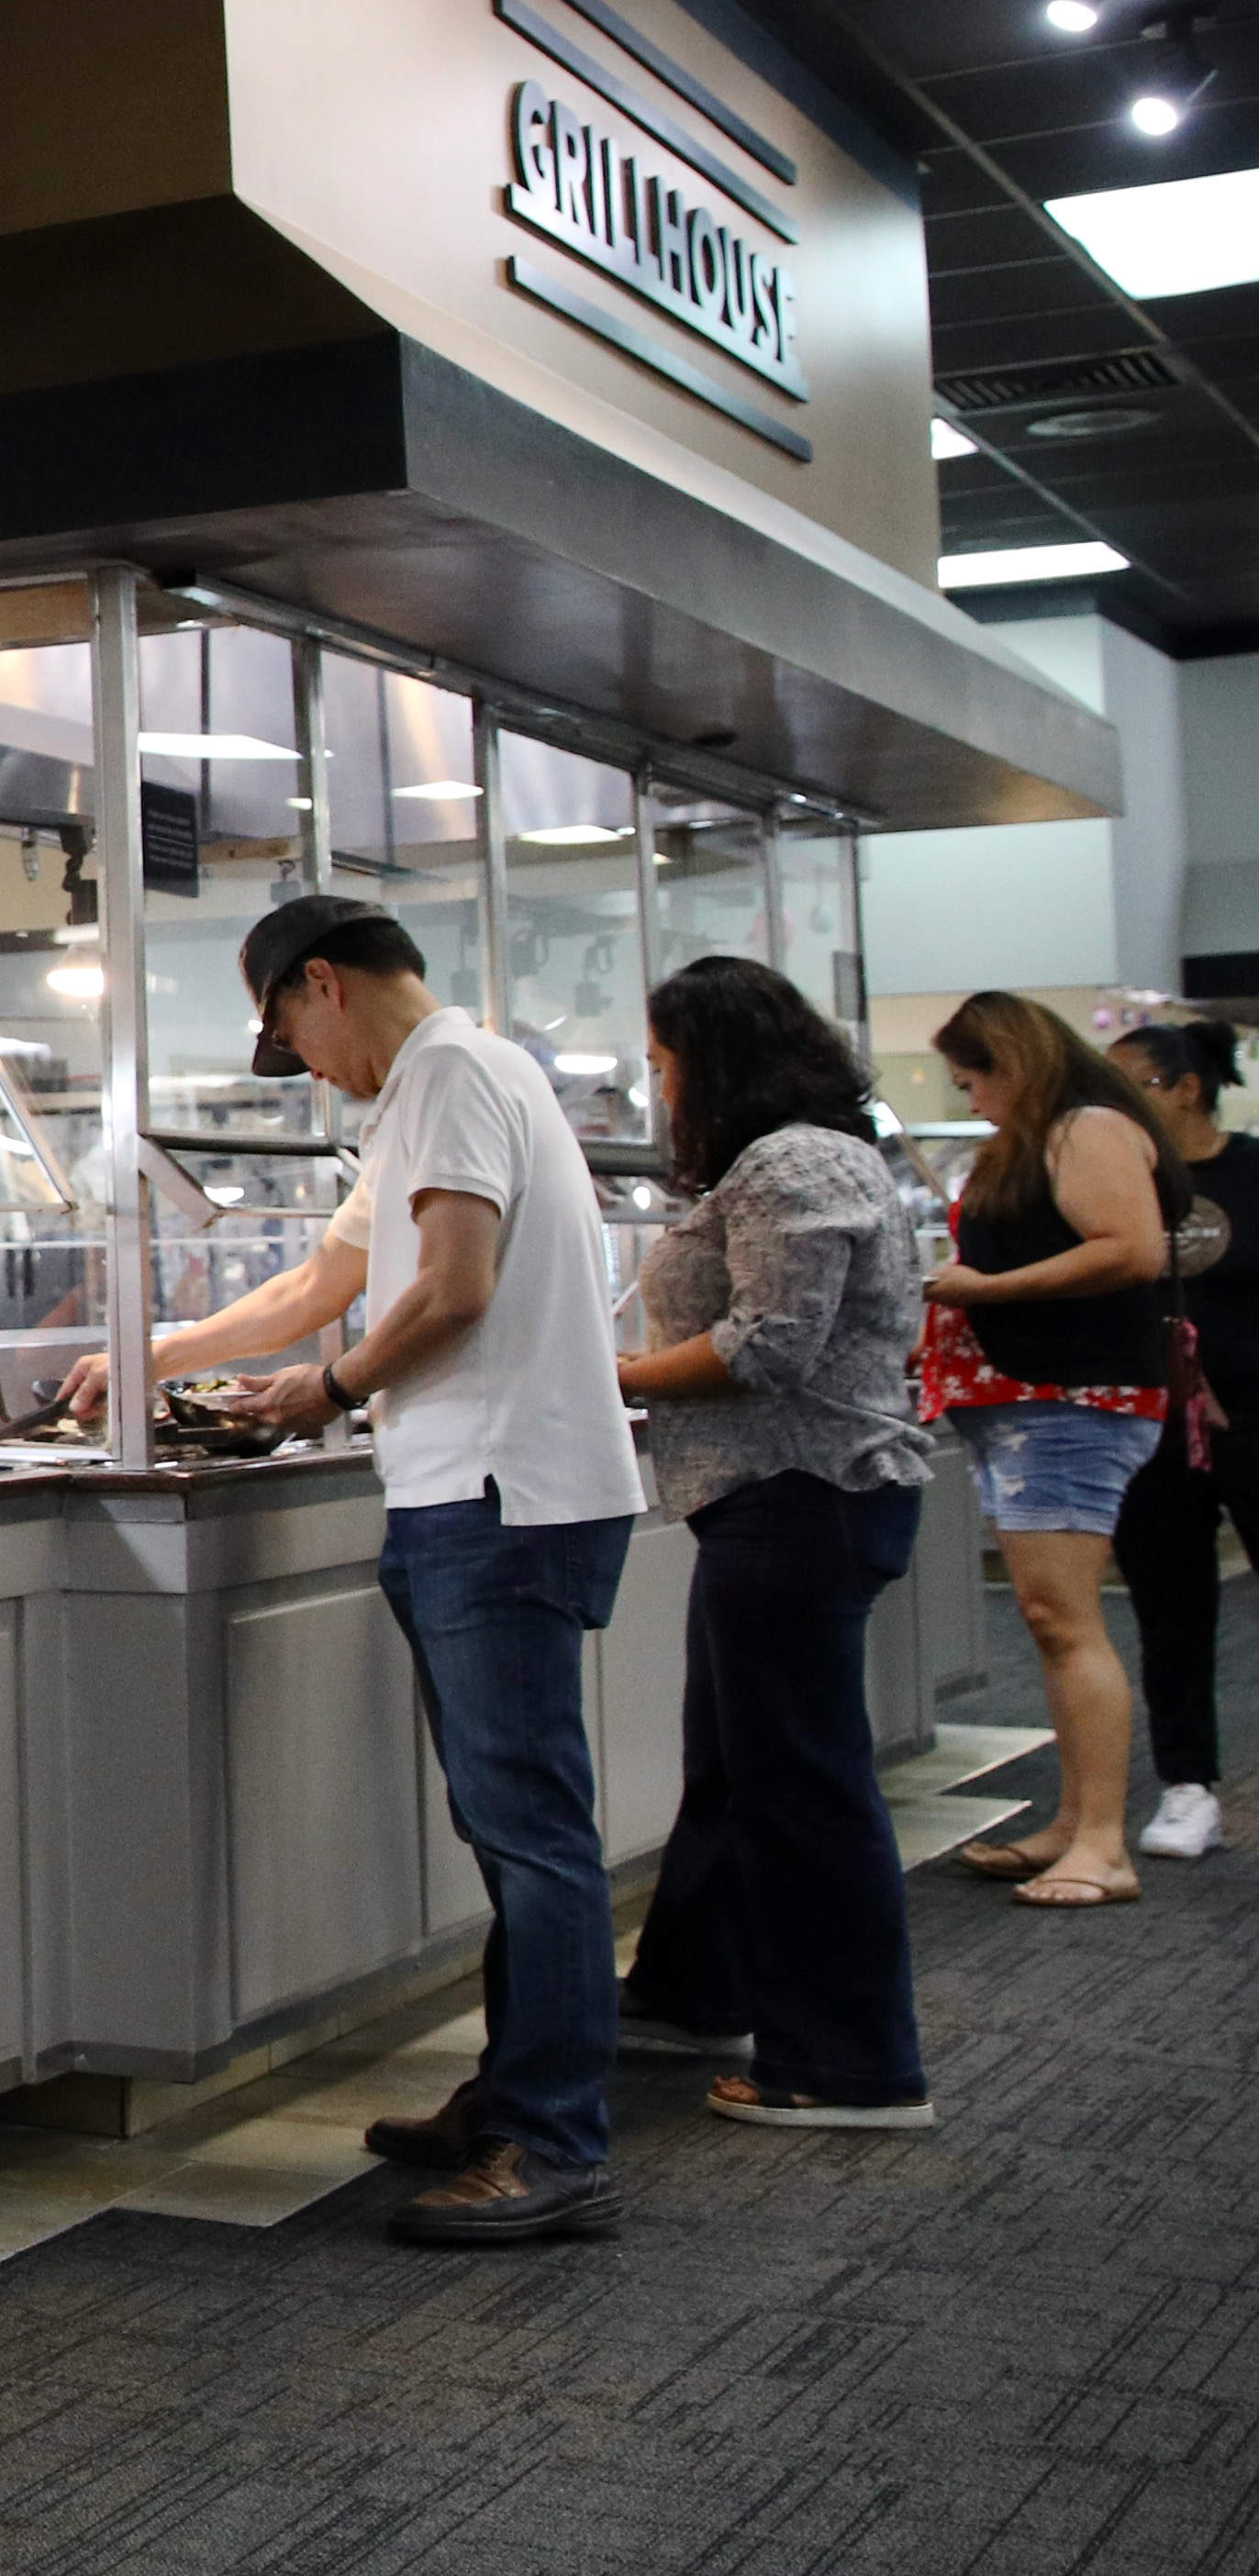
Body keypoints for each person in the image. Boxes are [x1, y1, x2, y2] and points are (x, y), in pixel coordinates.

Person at [76, 896, 642, 2245]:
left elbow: (453, 1287)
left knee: (533, 1833)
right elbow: (320, 1282)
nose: (305, 1065)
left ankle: (559, 2143)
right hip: (497, 1491)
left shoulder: (446, 1072)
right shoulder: (445, 1087)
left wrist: (325, 1392)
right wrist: (154, 1352)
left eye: (289, 1033)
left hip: (498, 1495)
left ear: (319, 983)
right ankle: (516, 2097)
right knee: (514, 1825)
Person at [606, 958, 937, 2128]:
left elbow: (768, 1344)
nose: (654, 1088)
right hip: (776, 1496)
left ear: (714, 1058)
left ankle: (851, 2064)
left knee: (801, 1786)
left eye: (660, 1063)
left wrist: (617, 1377)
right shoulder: (809, 1157)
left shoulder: (793, 1160)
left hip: (800, 1490)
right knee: (737, 1766)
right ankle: (696, 1989)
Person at [919, 990, 1177, 1906]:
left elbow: (1130, 1249)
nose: (973, 1099)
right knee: (1050, 1618)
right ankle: (1076, 1822)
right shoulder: (1054, 1135)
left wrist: (983, 1290)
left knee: (1064, 1619)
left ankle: (1101, 1842)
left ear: (1009, 1063)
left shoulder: (1085, 1128)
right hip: (1034, 1401)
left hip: (1072, 1401)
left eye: (972, 1080)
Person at [1107, 1016, 1253, 1864]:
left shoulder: (1251, 1170)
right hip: (1151, 1423)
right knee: (1170, 1610)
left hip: (1253, 1414)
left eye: (1134, 1085)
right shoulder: (1119, 1181)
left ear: (1186, 1088)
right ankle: (1187, 1784)